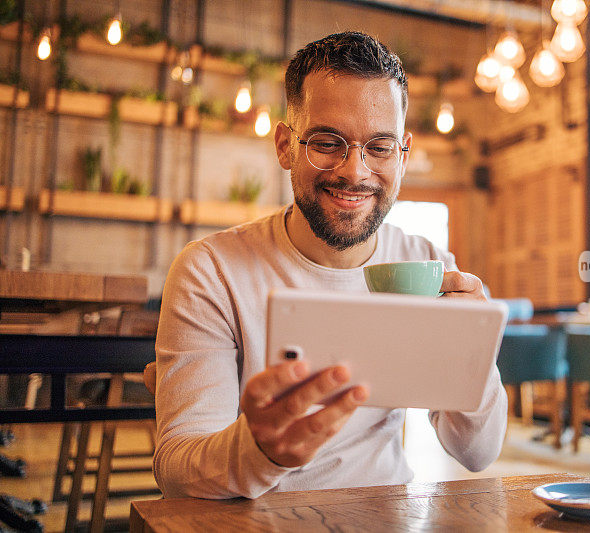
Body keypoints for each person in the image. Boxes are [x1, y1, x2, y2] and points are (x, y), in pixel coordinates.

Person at [154, 31, 507, 499]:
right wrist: (261, 451)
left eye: (379, 147)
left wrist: (472, 358)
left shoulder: (427, 265)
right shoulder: (212, 272)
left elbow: (476, 453)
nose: (354, 171)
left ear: (402, 154)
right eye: (326, 142)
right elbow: (177, 466)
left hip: (388, 512)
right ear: (285, 145)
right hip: (251, 519)